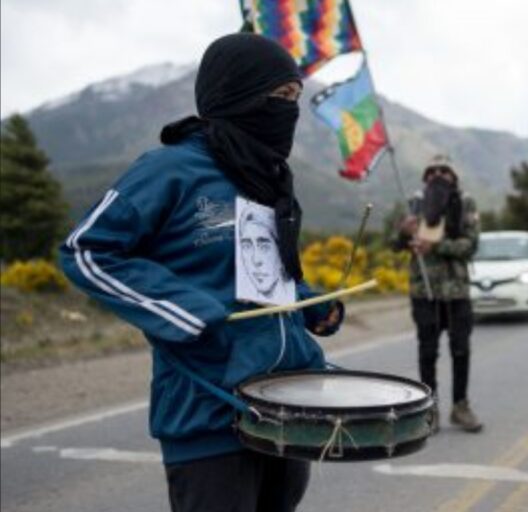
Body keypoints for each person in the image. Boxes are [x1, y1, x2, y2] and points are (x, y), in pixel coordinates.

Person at [60, 33, 343, 512]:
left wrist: (309, 302)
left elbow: (264, 272)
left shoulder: (270, 178)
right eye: (280, 98)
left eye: (295, 99)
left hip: (285, 406)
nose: (288, 112)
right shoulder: (167, 170)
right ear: (239, 96)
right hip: (206, 411)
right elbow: (85, 250)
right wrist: (181, 309)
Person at [391, 155, 483, 433]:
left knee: (461, 349)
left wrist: (437, 246)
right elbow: (397, 246)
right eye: (432, 171)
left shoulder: (466, 203)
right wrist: (403, 234)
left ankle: (461, 407)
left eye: (445, 171)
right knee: (427, 351)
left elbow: (471, 245)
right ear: (425, 177)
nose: (438, 175)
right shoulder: (414, 204)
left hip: (456, 291)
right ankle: (429, 410)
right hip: (424, 291)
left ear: (454, 177)